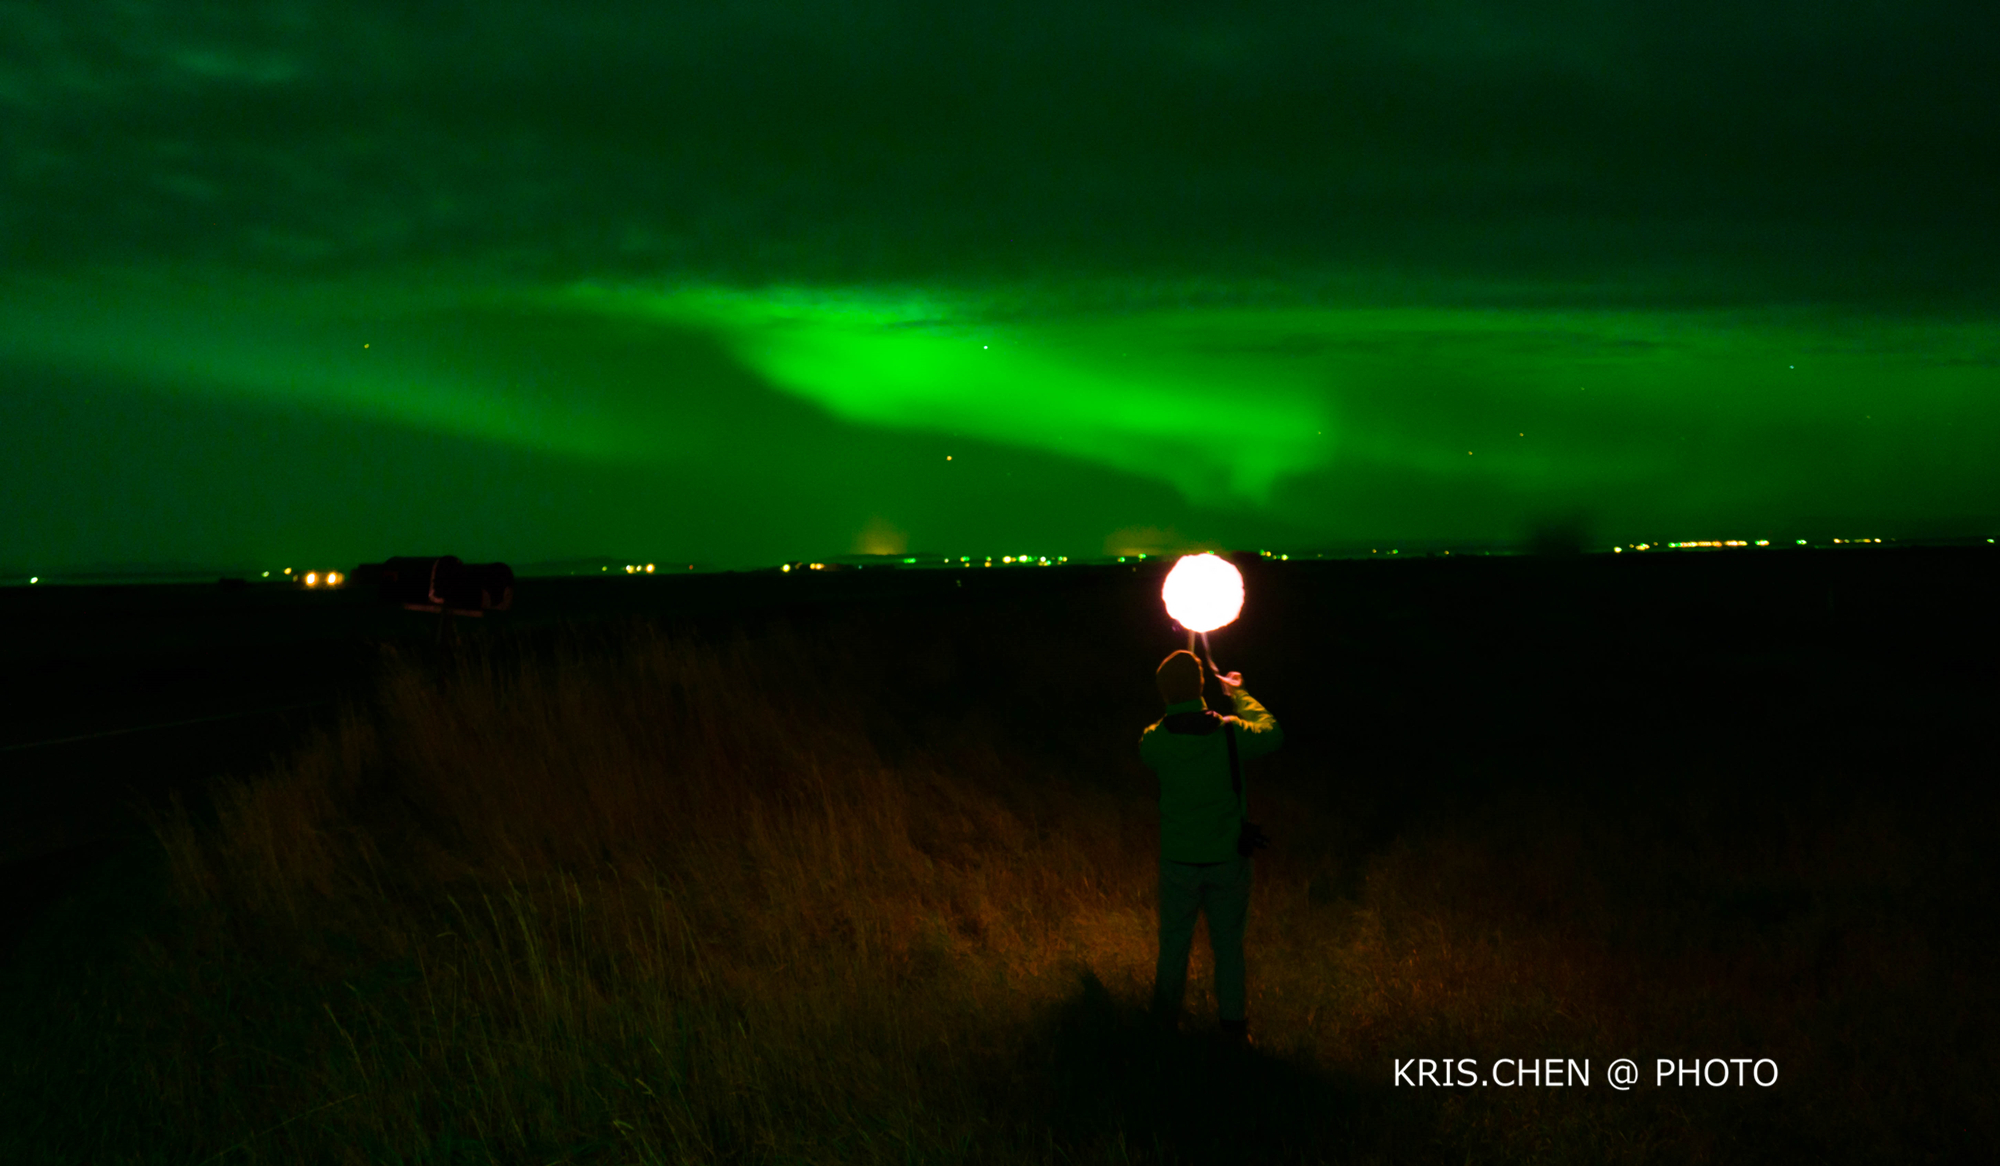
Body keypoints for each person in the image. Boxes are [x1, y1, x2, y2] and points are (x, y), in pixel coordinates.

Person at [1139, 649, 1283, 1048]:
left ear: (1164, 693)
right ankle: (1234, 1033)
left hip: (1179, 863)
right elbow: (1272, 732)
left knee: (1173, 946)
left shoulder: (1155, 741)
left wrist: (1176, 704)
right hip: (1227, 862)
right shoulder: (1231, 732)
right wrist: (1239, 694)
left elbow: (1151, 743)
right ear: (1202, 686)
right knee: (1228, 948)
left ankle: (1164, 1027)